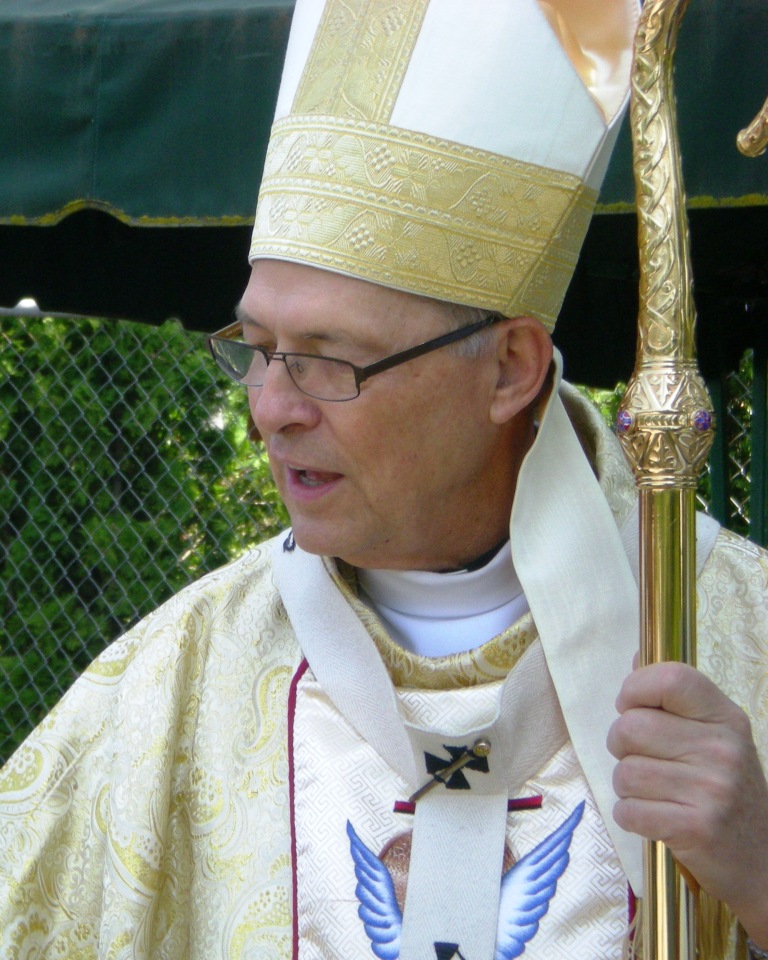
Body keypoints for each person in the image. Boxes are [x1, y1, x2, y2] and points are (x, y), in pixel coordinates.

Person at [1, 1, 767, 958]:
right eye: (260, 347)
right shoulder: (171, 687)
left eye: (331, 359)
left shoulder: (735, 638)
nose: (272, 408)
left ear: (509, 369)